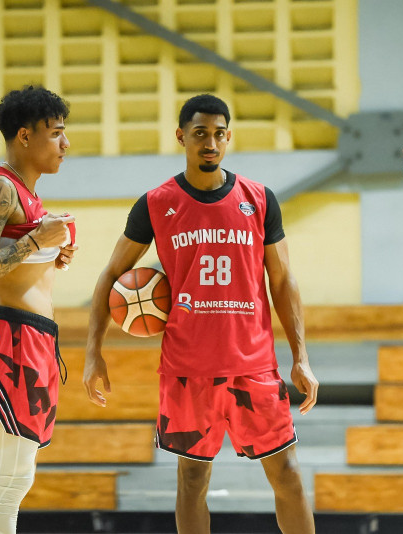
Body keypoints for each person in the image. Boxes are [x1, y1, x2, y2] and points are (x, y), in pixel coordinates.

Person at [84, 94, 319, 534]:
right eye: (199, 134)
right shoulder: (156, 203)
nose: (210, 142)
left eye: (218, 134)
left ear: (228, 137)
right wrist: (93, 350)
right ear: (182, 137)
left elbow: (283, 282)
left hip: (254, 366)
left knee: (287, 473)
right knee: (192, 480)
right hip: (187, 370)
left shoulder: (260, 199)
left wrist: (301, 356)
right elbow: (110, 276)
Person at [0, 85, 76, 534]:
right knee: (12, 478)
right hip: (10, 340)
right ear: (24, 136)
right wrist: (34, 243)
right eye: (57, 133)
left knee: (14, 476)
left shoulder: (27, 195)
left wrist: (49, 257)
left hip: (36, 339)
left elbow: (13, 266)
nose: (66, 145)